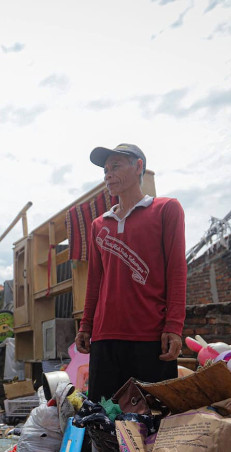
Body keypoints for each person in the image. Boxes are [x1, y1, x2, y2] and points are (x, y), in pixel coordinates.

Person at [75, 143, 187, 403]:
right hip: (104, 337)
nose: (108, 174)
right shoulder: (99, 225)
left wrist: (174, 326)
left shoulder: (166, 209)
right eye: (105, 170)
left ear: (138, 167)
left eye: (115, 166)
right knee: (103, 416)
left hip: (150, 336)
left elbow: (177, 271)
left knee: (152, 417)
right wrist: (86, 325)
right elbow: (95, 280)